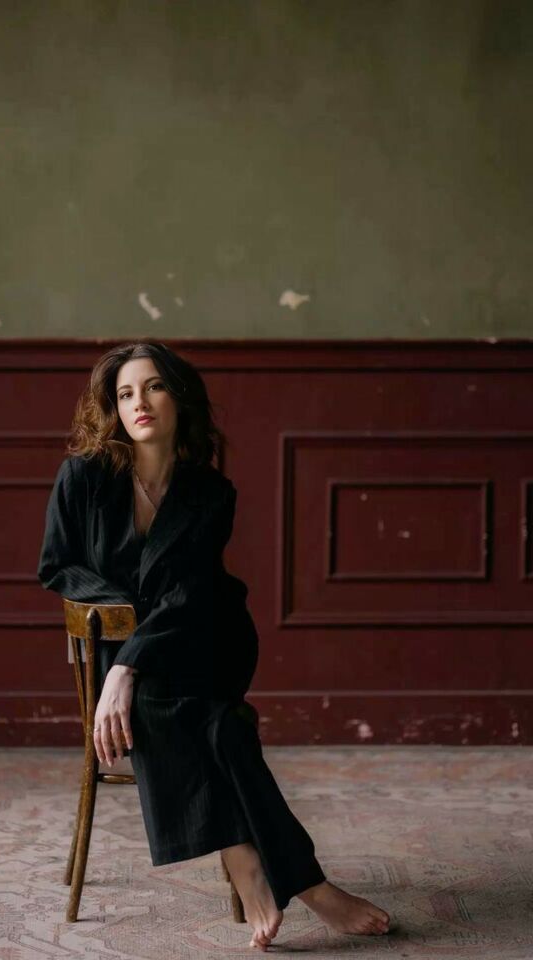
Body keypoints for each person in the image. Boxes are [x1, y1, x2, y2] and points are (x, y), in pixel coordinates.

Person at [37, 340, 392, 950]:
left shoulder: (210, 492)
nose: (140, 403)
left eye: (154, 387)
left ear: (179, 398)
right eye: (125, 393)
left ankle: (265, 870)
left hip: (206, 641)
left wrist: (126, 668)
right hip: (127, 652)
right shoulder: (85, 477)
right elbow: (57, 566)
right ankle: (284, 875)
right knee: (221, 726)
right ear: (113, 407)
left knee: (171, 699)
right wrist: (124, 655)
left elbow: (190, 593)